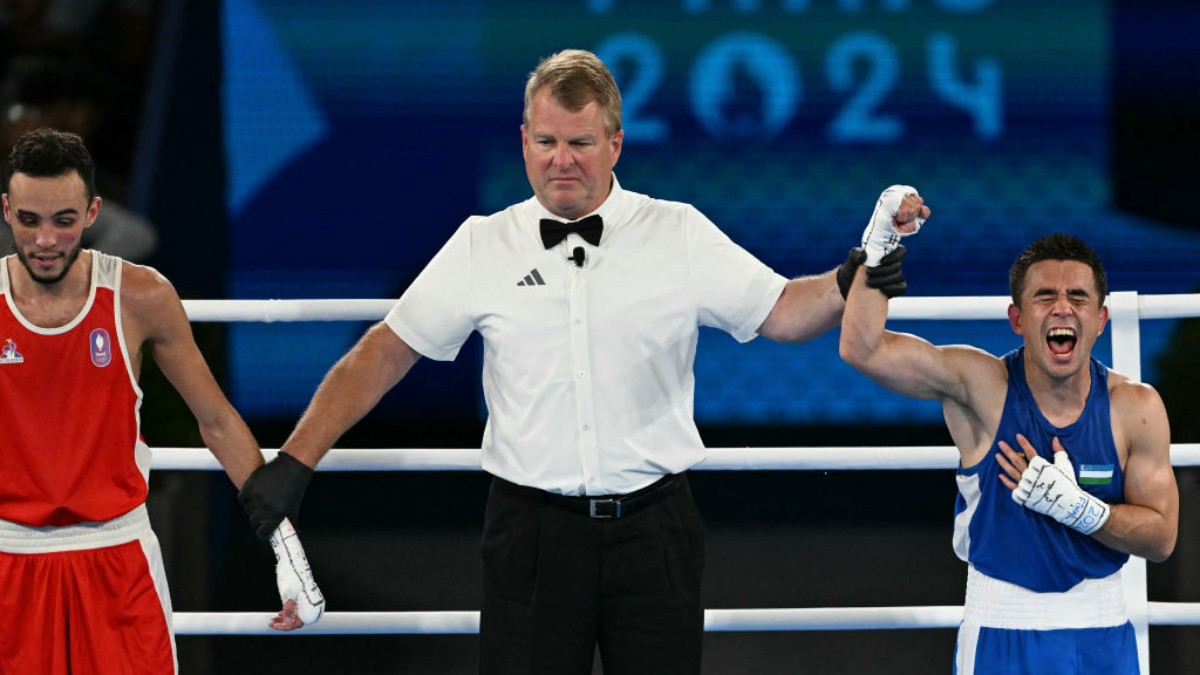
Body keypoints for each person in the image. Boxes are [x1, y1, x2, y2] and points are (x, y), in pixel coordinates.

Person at [236, 48, 923, 674]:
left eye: (580, 143)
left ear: (615, 144)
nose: (561, 159)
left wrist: (855, 272)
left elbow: (783, 311)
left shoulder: (675, 230)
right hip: (530, 537)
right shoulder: (484, 242)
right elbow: (384, 351)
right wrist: (296, 460)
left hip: (655, 531)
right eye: (547, 142)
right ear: (525, 143)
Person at [0, 128, 322, 675]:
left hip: (118, 559)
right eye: (29, 221)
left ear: (94, 211)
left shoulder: (141, 296)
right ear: (7, 211)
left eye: (64, 220)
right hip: (9, 562)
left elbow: (216, 419)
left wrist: (285, 546)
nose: (47, 240)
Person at [839, 230, 1178, 674]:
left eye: (1078, 296)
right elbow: (862, 348)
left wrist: (1077, 508)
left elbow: (1162, 539)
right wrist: (878, 248)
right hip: (1002, 635)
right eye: (1045, 296)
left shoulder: (1136, 408)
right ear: (1017, 319)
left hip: (1105, 637)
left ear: (1100, 319)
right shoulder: (980, 388)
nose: (1062, 307)